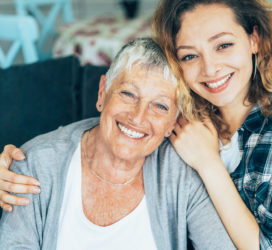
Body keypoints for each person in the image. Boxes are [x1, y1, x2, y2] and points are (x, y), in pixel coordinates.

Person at [0, 0, 272, 249]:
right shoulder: (181, 119)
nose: (210, 68)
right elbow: (125, 125)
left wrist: (208, 163)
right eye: (190, 55)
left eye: (223, 45)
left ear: (254, 39)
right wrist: (27, 160)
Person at [0, 38, 235, 250]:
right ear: (103, 92)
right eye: (128, 94)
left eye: (160, 106)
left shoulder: (182, 174)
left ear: (172, 121)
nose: (138, 117)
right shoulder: (34, 164)